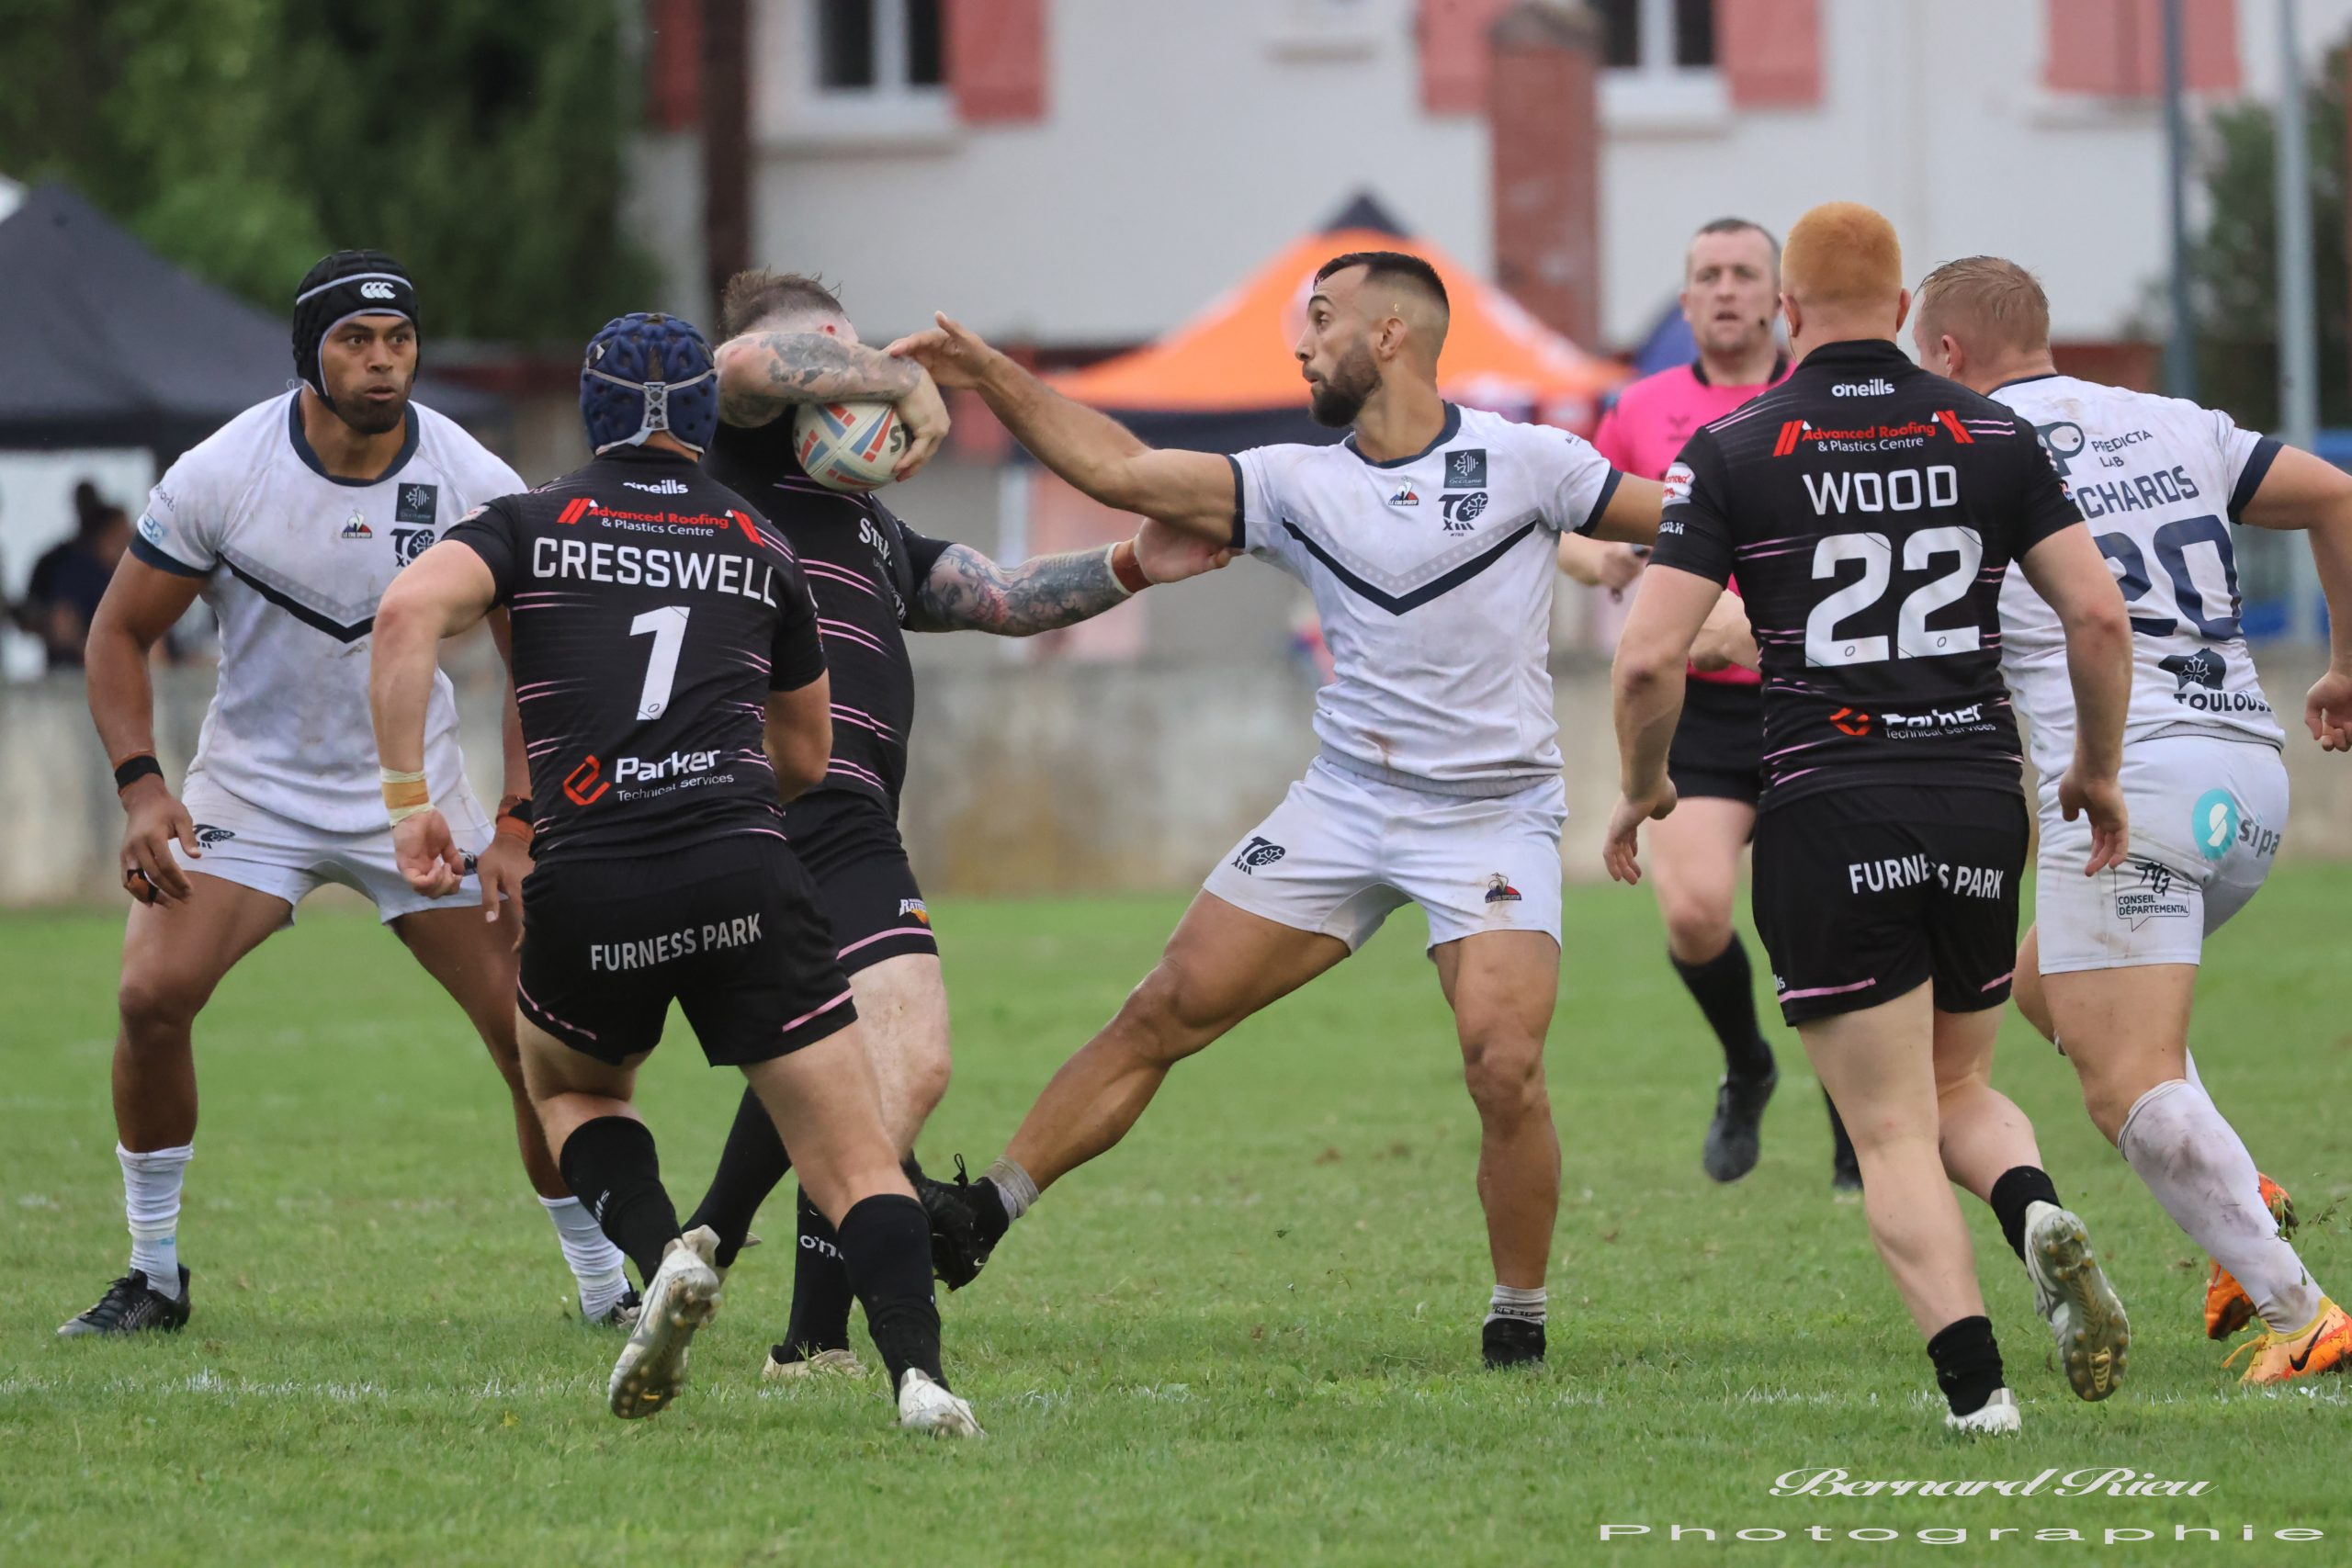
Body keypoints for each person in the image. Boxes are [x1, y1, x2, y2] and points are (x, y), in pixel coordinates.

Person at [895, 250, 1667, 1369]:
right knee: (1164, 1008)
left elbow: (1688, 520)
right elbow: (1118, 467)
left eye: (1321, 319)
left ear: (1391, 335)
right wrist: (989, 374)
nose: (1300, 345)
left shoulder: (1527, 460)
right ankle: (986, 1209)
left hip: (1491, 818)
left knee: (1503, 1063)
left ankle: (1518, 1317)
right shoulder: (1291, 485)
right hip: (1346, 803)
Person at [369, 310, 980, 1434]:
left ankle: (667, 1259)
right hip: (744, 867)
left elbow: (408, 610)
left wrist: (412, 807)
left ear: (589, 409)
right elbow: (807, 756)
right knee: (852, 1154)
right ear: (704, 417)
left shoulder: (531, 522)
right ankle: (920, 1381)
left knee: (572, 1089)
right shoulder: (758, 539)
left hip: (592, 873)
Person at [1604, 203, 2135, 1434]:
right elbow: (2097, 617)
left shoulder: (1734, 445)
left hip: (1830, 804)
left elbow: (1645, 657)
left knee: (1889, 1127)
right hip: (1975, 796)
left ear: (1787, 310)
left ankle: (1979, 1396)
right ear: (1901, 310)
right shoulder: (1991, 431)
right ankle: (2032, 1206)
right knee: (1960, 1083)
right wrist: (2097, 771)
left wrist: (1642, 787)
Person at [59, 251, 632, 1337]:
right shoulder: (221, 472)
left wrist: (521, 822)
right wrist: (142, 789)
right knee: (148, 998)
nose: (382, 361)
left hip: (418, 803)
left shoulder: (475, 479)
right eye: (355, 341)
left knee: (533, 1037)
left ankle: (607, 1292)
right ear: (308, 354)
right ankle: (154, 1275)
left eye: (399, 340)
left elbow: (541, 666)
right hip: (254, 793)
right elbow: (117, 633)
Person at [675, 269, 1231, 1381]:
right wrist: (903, 379)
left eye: (853, 344)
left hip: (842, 813)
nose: (850, 365)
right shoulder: (734, 464)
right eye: (824, 347)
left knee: (840, 1053)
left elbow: (1001, 595)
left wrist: (1133, 562)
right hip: (768, 794)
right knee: (900, 1060)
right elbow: (737, 366)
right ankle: (770, 1292)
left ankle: (750, 1286)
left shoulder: (871, 526)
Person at [1915, 254, 2352, 1384]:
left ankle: (2299, 1315)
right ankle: (2238, 1193)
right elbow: (2335, 495)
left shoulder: (1970, 447)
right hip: (2245, 778)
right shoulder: (2172, 422)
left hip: (2128, 786)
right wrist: (2345, 666)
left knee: (2124, 1082)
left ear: (1948, 352)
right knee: (2041, 984)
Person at [1559, 217, 1859, 1190]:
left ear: (1781, 299)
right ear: (1685, 300)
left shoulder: (1823, 401)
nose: (1726, 289)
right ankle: (1747, 1064)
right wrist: (1598, 559)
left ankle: (1859, 1125)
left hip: (1815, 695)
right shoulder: (1640, 408)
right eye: (1708, 275)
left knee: (1829, 921)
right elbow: (1564, 518)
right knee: (1693, 915)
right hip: (1697, 709)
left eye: (1744, 274)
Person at [20, 494, 132, 670]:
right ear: (108, 536)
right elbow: (63, 627)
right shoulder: (78, 574)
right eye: (124, 535)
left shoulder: (124, 576)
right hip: (80, 674)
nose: (131, 540)